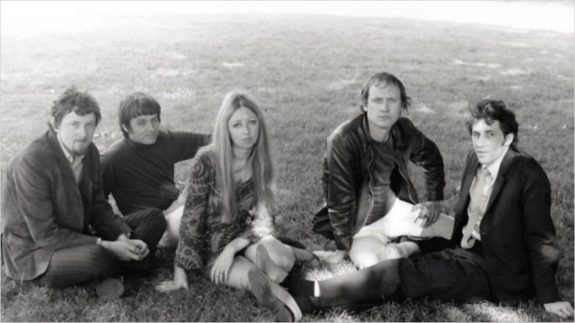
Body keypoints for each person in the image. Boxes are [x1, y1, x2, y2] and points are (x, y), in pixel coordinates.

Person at [290, 99, 574, 319]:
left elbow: (541, 239)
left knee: (406, 275)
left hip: (493, 267)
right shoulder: (474, 161)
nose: (480, 142)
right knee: (426, 233)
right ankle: (405, 249)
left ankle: (312, 295)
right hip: (466, 243)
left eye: (490, 134)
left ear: (508, 138)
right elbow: (466, 218)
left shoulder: (527, 174)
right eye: (476, 134)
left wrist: (548, 296)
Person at [156, 91, 314, 321]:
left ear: (260, 124)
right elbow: (192, 219)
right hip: (204, 240)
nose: (246, 131)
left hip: (239, 233)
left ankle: (286, 256)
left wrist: (232, 248)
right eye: (237, 124)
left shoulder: (261, 162)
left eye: (252, 122)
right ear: (226, 128)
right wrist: (180, 274)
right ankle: (275, 287)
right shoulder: (207, 160)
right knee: (245, 274)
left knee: (279, 259)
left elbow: (264, 220)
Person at [1, 87, 166, 299]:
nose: (83, 133)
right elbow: (45, 235)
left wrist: (121, 235)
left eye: (89, 125)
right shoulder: (32, 162)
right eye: (74, 124)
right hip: (37, 251)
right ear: (56, 124)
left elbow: (98, 206)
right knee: (96, 256)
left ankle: (115, 269)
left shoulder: (91, 153)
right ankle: (128, 266)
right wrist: (106, 245)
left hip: (79, 233)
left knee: (154, 218)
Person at [313, 72, 453, 269]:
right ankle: (403, 249)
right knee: (376, 266)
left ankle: (407, 246)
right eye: (377, 100)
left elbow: (432, 157)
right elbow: (339, 198)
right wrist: (342, 248)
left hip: (396, 212)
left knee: (459, 233)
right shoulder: (343, 140)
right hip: (360, 227)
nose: (385, 108)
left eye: (392, 100)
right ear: (365, 104)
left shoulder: (404, 130)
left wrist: (434, 199)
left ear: (402, 105)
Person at [101, 92, 210, 245]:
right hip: (150, 225)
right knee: (197, 213)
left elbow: (211, 141)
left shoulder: (165, 140)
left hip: (177, 208)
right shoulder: (113, 158)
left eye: (154, 120)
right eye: (141, 123)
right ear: (126, 127)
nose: (151, 128)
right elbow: (97, 203)